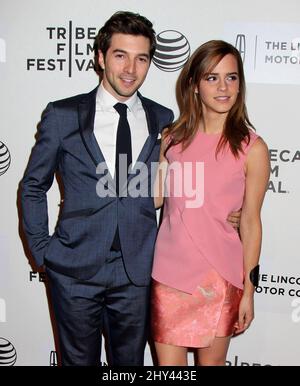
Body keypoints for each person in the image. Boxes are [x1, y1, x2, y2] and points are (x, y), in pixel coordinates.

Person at [21, 11, 240, 366]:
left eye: (141, 59)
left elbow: (184, 182)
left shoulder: (163, 119)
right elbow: (33, 185)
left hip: (137, 272)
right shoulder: (63, 115)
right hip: (74, 269)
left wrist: (232, 210)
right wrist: (43, 253)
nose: (130, 68)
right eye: (120, 55)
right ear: (100, 57)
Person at [151, 40, 270, 366]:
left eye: (231, 78)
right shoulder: (171, 139)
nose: (223, 87)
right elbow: (154, 199)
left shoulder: (252, 148)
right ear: (194, 85)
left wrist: (249, 291)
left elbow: (250, 222)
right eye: (212, 78)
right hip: (170, 275)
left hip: (220, 278)